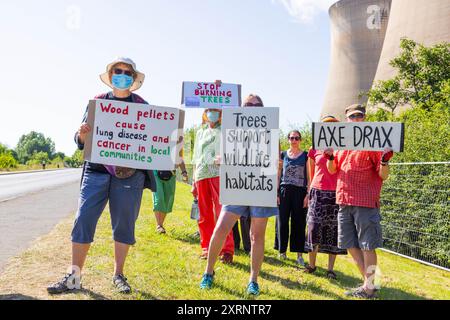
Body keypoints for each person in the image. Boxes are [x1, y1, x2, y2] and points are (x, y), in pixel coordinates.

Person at [47, 57, 156, 295]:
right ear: (110, 75)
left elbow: (152, 142)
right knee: (83, 219)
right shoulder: (97, 103)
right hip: (96, 171)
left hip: (129, 175)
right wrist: (83, 135)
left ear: (134, 78)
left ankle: (119, 275)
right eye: (118, 70)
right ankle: (73, 276)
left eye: (128, 72)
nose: (122, 74)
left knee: (124, 225)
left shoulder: (143, 107)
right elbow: (80, 141)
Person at [199, 94, 279, 296]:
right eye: (247, 104)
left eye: (257, 105)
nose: (252, 107)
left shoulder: (271, 131)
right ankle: (208, 273)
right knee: (221, 228)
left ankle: (253, 280)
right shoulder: (232, 130)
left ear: (262, 108)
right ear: (241, 108)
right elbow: (225, 156)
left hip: (260, 187)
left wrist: (274, 189)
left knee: (256, 236)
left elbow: (275, 163)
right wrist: (221, 159)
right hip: (236, 186)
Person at [325, 104, 393, 299]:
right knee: (348, 243)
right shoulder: (340, 143)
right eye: (352, 116)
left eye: (359, 116)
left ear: (364, 118)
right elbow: (332, 170)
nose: (355, 119)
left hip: (365, 201)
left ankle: (369, 288)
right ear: (347, 119)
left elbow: (383, 175)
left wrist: (385, 161)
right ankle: (369, 284)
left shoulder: (372, 143)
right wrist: (330, 157)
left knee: (367, 245)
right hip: (344, 200)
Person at [191, 96, 234, 263]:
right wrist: (194, 180)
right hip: (202, 174)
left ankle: (227, 250)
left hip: (219, 174)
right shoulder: (200, 132)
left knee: (223, 213)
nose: (212, 113)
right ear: (205, 113)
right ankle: (206, 247)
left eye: (216, 111)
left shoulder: (226, 130)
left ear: (221, 113)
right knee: (204, 213)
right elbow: (196, 157)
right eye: (209, 111)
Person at [304, 115, 347, 279]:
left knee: (333, 230)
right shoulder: (314, 147)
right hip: (317, 191)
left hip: (336, 192)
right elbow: (311, 172)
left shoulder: (343, 147)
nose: (330, 127)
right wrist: (309, 192)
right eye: (327, 125)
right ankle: (312, 265)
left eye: (333, 125)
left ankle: (330, 269)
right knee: (313, 228)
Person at [274, 130, 309, 266]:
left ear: (300, 140)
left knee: (299, 222)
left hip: (300, 192)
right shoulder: (282, 155)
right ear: (288, 139)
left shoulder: (305, 156)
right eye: (291, 138)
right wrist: (276, 193)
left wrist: (307, 195)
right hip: (284, 191)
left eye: (297, 138)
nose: (294, 140)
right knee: (282, 221)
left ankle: (299, 254)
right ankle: (282, 251)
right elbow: (278, 175)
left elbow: (309, 176)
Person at [153, 146, 188, 234]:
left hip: (171, 174)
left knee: (167, 199)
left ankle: (161, 224)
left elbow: (180, 158)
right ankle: (159, 225)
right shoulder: (157, 139)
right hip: (156, 172)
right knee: (159, 197)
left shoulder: (176, 142)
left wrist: (184, 172)